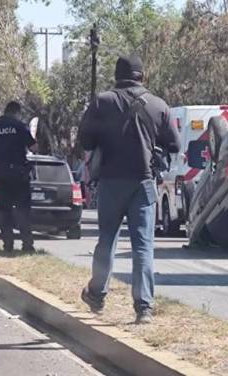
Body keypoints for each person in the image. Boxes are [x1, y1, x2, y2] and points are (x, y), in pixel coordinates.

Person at [79, 53, 180, 324]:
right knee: (143, 247)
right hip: (143, 183)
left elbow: (84, 141)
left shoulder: (102, 102)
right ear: (142, 76)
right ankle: (144, 308)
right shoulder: (158, 105)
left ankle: (97, 294)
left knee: (107, 241)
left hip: (111, 182)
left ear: (116, 75)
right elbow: (175, 144)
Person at [0, 101, 38, 252]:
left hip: (1, 173)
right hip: (19, 174)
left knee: (4, 210)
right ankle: (27, 245)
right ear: (17, 112)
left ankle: (8, 244)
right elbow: (34, 147)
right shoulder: (20, 126)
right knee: (23, 209)